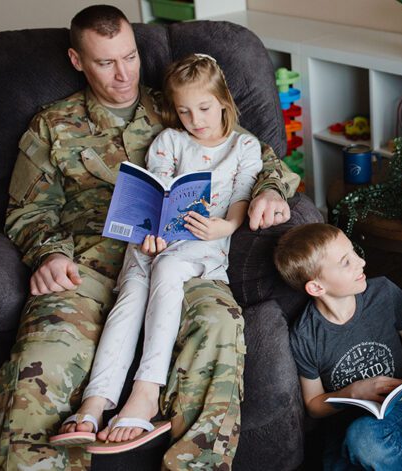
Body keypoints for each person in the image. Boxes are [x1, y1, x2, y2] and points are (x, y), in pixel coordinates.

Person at [0, 5, 298, 470]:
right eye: (105, 62)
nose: (123, 74)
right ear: (77, 61)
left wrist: (269, 192)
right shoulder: (52, 125)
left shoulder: (179, 103)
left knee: (217, 327)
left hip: (184, 252)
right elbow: (28, 209)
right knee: (42, 361)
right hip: (87, 263)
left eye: (130, 57)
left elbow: (255, 156)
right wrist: (49, 254)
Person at [50, 53, 263, 450]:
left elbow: (241, 193)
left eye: (203, 108)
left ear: (223, 101)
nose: (195, 120)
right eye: (184, 111)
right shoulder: (169, 140)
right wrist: (152, 232)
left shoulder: (244, 146)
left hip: (204, 243)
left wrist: (228, 225)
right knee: (130, 294)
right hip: (155, 241)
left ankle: (146, 393)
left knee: (166, 269)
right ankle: (95, 403)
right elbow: (157, 192)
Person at [273, 223, 402, 471]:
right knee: (351, 451)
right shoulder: (305, 336)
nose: (361, 262)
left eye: (354, 252)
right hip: (343, 425)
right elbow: (314, 405)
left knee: (366, 443)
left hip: (401, 406)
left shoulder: (383, 293)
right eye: (345, 262)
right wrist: (352, 393)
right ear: (317, 287)